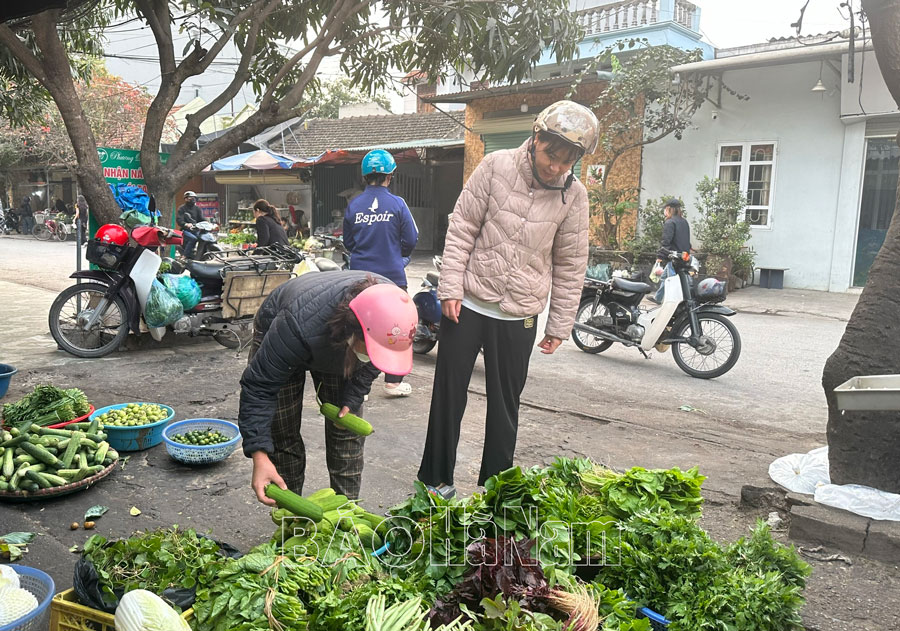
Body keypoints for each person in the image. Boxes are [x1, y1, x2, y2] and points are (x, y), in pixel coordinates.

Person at [416, 100, 599, 498]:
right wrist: (450, 286)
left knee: (505, 405)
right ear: (536, 138)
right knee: (448, 393)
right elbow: (462, 226)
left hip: (521, 312)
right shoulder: (496, 166)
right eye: (552, 155)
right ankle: (435, 481)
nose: (556, 167)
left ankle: (495, 489)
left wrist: (560, 323)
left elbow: (570, 263)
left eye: (567, 162)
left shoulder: (575, 197)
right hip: (467, 303)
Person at [238, 271, 418, 503]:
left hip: (334, 335)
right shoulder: (295, 326)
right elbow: (260, 386)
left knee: (346, 432)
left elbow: (381, 359)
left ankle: (347, 516)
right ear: (352, 332)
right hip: (289, 326)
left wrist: (352, 397)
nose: (376, 357)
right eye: (372, 350)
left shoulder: (397, 317)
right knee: (283, 435)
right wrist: (259, 454)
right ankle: (291, 519)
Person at [343, 149, 419, 398]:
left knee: (359, 329)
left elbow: (348, 242)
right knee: (397, 327)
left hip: (360, 278)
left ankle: (357, 387)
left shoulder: (354, 204)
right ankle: (394, 382)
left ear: (364, 176)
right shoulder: (397, 204)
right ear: (390, 176)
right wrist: (398, 256)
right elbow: (411, 238)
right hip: (392, 277)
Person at [650, 198, 691, 304]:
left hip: (673, 256)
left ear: (668, 209)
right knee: (665, 277)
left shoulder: (670, 222)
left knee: (671, 281)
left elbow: (666, 241)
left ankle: (673, 302)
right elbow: (686, 240)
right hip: (683, 256)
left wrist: (660, 257)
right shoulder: (684, 222)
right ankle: (658, 298)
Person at [176, 191, 204, 258]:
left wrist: (209, 224)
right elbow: (179, 220)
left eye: (193, 198)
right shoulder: (182, 208)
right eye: (190, 198)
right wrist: (185, 224)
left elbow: (201, 218)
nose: (192, 199)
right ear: (185, 199)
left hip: (196, 229)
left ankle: (201, 254)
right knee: (193, 238)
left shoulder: (197, 208)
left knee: (204, 237)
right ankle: (184, 255)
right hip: (185, 230)